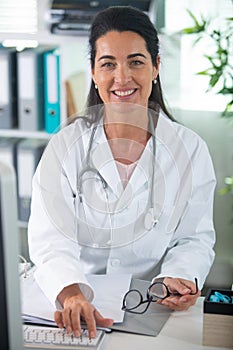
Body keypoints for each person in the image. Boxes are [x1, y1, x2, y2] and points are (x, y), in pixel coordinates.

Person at [28, 6, 216, 339]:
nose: (122, 78)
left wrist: (178, 277)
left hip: (152, 309)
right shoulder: (65, 146)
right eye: (108, 64)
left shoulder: (190, 149)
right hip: (76, 307)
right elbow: (50, 240)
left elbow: (194, 239)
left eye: (136, 62)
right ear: (93, 72)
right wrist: (70, 291)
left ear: (156, 67)